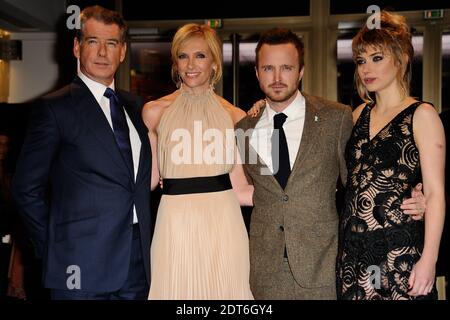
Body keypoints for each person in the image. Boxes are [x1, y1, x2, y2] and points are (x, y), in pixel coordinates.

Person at [239, 28, 427, 299]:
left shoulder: (337, 119)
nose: (277, 78)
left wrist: (415, 197)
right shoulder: (243, 128)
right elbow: (236, 189)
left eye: (287, 68)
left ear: (301, 71)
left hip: (323, 271)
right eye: (268, 68)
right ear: (257, 73)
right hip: (265, 273)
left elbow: (366, 178)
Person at [11, 5, 152, 300]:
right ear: (77, 47)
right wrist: (54, 247)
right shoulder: (54, 108)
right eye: (93, 42)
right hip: (77, 265)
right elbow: (26, 189)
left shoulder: (138, 108)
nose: (102, 52)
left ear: (123, 51)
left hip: (136, 265)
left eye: (111, 43)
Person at [336, 11, 446, 300]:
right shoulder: (359, 114)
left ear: (402, 59)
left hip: (399, 254)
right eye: (361, 60)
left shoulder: (422, 115)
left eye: (377, 58)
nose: (365, 69)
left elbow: (435, 193)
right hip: (354, 256)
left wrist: (429, 261)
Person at [142, 23, 253, 300]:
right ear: (175, 62)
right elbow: (150, 181)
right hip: (174, 224)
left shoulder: (236, 117)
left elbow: (241, 190)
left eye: (200, 56)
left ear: (215, 63)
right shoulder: (154, 112)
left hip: (224, 225)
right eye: (183, 56)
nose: (190, 64)